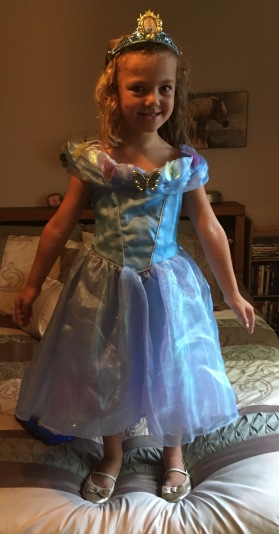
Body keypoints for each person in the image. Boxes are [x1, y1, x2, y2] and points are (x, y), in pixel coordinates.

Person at [14, 10, 255, 505]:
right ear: (114, 93)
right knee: (108, 367)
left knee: (173, 363)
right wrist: (33, 284)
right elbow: (60, 225)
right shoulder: (94, 159)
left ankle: (174, 455)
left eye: (163, 88)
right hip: (104, 285)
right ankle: (113, 454)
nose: (153, 100)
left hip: (167, 283)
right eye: (139, 88)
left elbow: (209, 228)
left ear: (175, 92)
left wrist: (233, 290)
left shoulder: (183, 162)